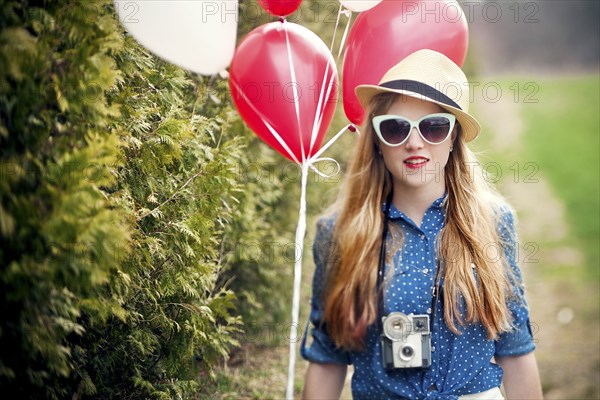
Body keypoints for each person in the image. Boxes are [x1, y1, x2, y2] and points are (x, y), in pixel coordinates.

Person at [300, 49, 543, 399]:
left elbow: (515, 347)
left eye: (433, 126)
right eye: (396, 128)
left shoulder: (493, 222)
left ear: (453, 137)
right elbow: (328, 356)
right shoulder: (340, 233)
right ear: (378, 142)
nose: (414, 142)